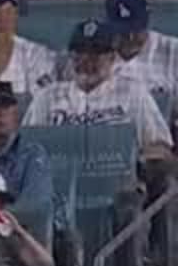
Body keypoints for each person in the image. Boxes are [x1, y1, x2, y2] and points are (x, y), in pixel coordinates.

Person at [32, 17, 172, 160]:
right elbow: (27, 147)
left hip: (117, 173)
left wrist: (138, 160)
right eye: (78, 54)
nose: (85, 61)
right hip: (57, 173)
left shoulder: (133, 94)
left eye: (95, 55)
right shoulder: (46, 97)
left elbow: (161, 147)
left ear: (112, 58)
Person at [98, 0, 178, 97]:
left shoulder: (172, 50)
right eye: (123, 32)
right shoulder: (94, 55)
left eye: (136, 29)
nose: (130, 37)